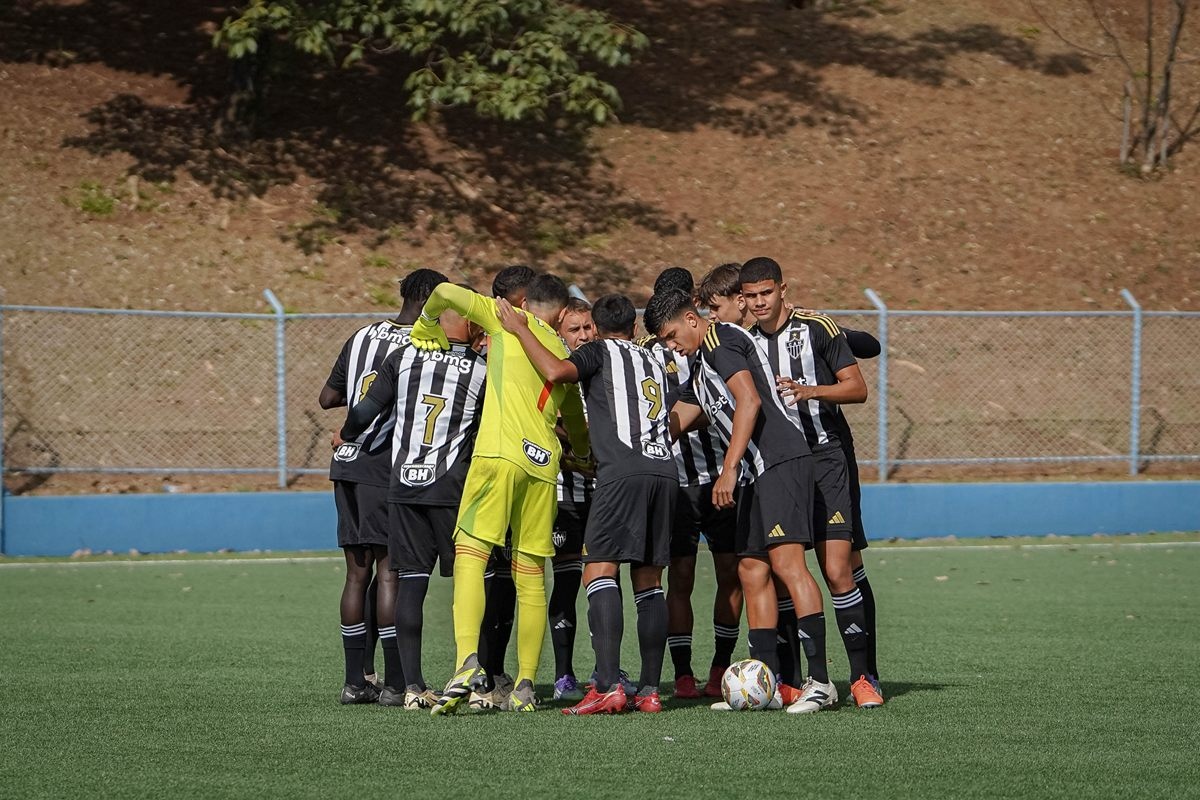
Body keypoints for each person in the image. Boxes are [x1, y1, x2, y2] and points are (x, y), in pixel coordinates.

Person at [643, 289, 829, 714]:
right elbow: (680, 418)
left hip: (779, 462)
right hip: (755, 474)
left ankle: (820, 682)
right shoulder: (699, 365)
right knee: (751, 570)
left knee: (788, 566)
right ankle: (766, 682)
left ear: (692, 320)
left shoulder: (719, 340)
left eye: (671, 336)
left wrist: (727, 469)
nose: (671, 346)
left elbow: (750, 399)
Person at [411, 274, 589, 714]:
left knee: (470, 554)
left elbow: (444, 292)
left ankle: (466, 662)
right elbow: (578, 428)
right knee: (530, 575)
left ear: (525, 302)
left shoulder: (506, 320)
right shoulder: (562, 355)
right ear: (562, 315)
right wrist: (584, 456)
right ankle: (526, 685)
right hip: (543, 470)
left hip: (499, 456)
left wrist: (426, 323)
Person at [496, 293, 678, 715]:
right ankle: (650, 691)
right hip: (664, 470)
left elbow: (556, 371)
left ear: (595, 328)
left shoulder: (598, 351)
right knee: (649, 580)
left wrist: (520, 329)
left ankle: (608, 685)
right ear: (635, 327)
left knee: (598, 569)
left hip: (622, 473)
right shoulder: (655, 358)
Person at [741, 256, 883, 708]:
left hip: (825, 460)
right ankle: (803, 680)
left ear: (782, 289)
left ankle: (863, 678)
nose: (760, 302)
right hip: (780, 467)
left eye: (766, 292)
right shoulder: (744, 342)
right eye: (751, 296)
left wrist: (810, 390)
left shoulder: (816, 327)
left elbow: (857, 388)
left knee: (837, 569)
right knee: (784, 571)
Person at [333, 300, 486, 710]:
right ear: (469, 323)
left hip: (403, 485)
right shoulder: (481, 369)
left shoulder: (404, 358)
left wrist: (346, 434)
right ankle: (477, 679)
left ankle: (411, 686)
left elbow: (365, 410)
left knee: (410, 583)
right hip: (450, 488)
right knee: (473, 580)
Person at [319, 268, 446, 705]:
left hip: (347, 465)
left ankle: (355, 682)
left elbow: (327, 398)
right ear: (430, 301)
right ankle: (395, 683)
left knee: (357, 574)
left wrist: (358, 404)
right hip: (385, 467)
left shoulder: (362, 336)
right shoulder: (423, 346)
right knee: (392, 571)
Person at [642, 267, 741, 700]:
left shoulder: (718, 343)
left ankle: (720, 667)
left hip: (721, 476)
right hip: (677, 482)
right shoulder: (648, 351)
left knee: (731, 573)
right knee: (680, 576)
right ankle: (683, 673)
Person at [549, 298, 597, 701]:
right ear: (559, 335)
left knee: (603, 581)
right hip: (564, 495)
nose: (583, 336)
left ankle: (606, 669)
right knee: (565, 583)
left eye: (588, 327)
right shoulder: (554, 372)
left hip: (604, 494)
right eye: (574, 330)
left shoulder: (605, 367)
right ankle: (563, 675)